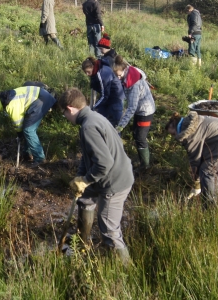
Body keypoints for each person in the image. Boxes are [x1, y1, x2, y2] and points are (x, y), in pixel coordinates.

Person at [61, 88, 134, 265]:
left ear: (70, 109)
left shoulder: (89, 127)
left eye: (64, 113)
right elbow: (88, 157)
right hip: (108, 176)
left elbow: (104, 163)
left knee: (109, 231)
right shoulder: (92, 118)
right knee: (85, 199)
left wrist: (86, 180)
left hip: (114, 182)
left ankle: (126, 271)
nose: (65, 117)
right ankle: (82, 243)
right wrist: (80, 177)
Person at [164, 111, 218, 208]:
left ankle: (210, 206)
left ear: (176, 127)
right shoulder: (195, 121)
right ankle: (215, 197)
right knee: (210, 168)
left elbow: (195, 160)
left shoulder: (190, 136)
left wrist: (196, 183)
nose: (175, 137)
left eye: (173, 134)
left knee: (207, 170)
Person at [0, 85, 57, 168]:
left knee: (28, 130)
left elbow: (18, 123)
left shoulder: (11, 105)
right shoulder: (7, 96)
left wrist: (19, 134)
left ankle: (40, 159)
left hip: (41, 100)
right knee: (27, 128)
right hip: (41, 96)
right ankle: (27, 154)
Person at [111, 56, 156, 170]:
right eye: (116, 76)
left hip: (145, 111)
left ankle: (145, 166)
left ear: (124, 70)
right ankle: (142, 160)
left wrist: (120, 126)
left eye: (120, 75)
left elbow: (131, 108)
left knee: (140, 137)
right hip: (139, 109)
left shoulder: (134, 84)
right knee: (136, 133)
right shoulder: (130, 70)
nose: (119, 78)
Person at [82, 57, 125, 127]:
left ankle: (115, 136)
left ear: (92, 66)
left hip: (116, 98)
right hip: (107, 99)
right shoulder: (95, 71)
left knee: (115, 125)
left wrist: (94, 107)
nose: (87, 74)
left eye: (88, 72)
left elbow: (104, 95)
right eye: (85, 72)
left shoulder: (102, 73)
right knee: (99, 120)